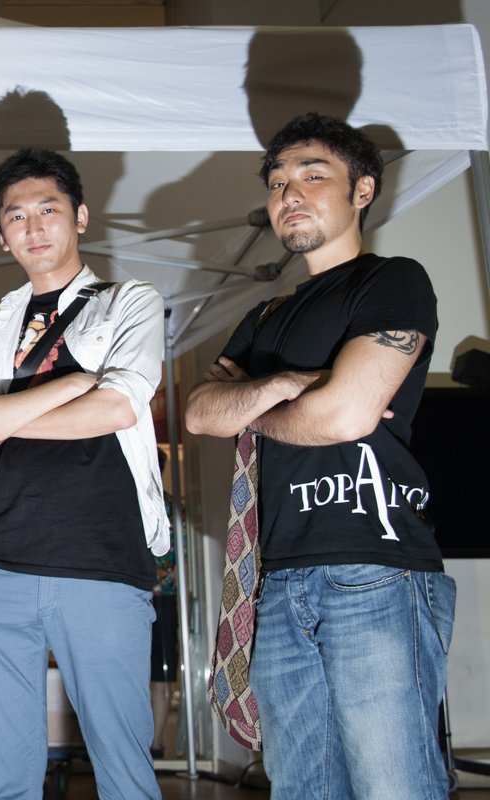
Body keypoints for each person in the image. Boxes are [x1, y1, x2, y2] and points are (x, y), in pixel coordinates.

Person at [185, 113, 456, 800]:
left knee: (395, 788)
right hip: (278, 581)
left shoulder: (392, 281)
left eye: (313, 175)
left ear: (362, 190)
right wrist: (290, 384)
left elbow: (345, 415)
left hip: (375, 567)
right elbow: (199, 413)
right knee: (302, 789)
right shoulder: (263, 317)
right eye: (278, 182)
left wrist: (254, 403)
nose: (290, 194)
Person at [0, 148, 168, 800]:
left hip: (101, 557)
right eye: (16, 216)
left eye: (49, 209)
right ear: (0, 234)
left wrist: (5, 415)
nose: (34, 227)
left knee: (125, 774)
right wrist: (73, 384)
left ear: (80, 216)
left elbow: (119, 405)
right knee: (5, 782)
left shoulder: (129, 301)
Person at [149, 449, 178, 761]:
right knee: (157, 677)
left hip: (157, 599)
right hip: (157, 598)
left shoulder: (167, 506)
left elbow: (173, 559)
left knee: (159, 675)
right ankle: (153, 744)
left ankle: (155, 744)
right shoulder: (169, 505)